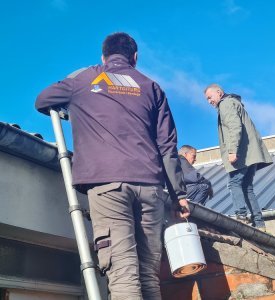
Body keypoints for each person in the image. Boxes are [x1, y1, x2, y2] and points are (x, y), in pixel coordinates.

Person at [35, 32, 190, 300]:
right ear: (135, 58)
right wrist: (180, 195)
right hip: (150, 186)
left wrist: (75, 106)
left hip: (108, 184)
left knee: (123, 275)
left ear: (103, 56)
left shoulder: (85, 79)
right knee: (148, 277)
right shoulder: (151, 87)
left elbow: (43, 100)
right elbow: (167, 147)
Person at [204, 84, 272, 232]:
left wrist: (232, 151)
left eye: (210, 97)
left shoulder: (226, 104)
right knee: (247, 187)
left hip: (242, 154)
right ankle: (259, 222)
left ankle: (241, 216)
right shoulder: (234, 103)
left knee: (234, 184)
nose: (209, 101)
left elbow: (235, 127)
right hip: (251, 154)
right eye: (207, 100)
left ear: (219, 92)